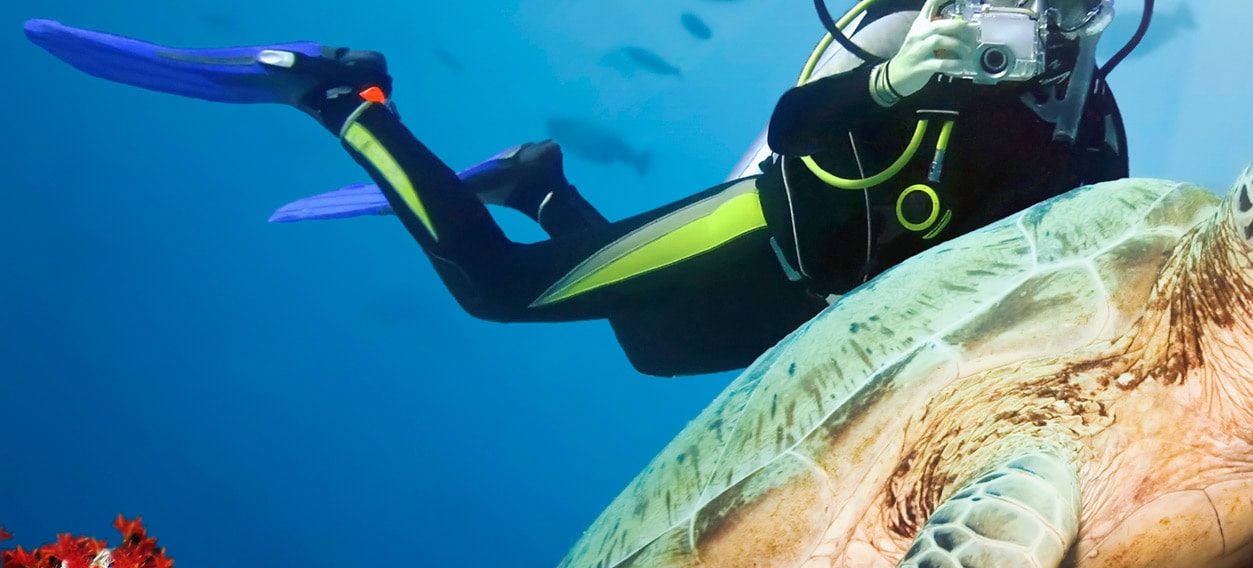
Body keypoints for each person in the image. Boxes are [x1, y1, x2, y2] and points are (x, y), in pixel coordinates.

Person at [24, 0, 1130, 376]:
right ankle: (344, 95)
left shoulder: (1093, 120)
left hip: (819, 306)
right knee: (502, 292)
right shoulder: (926, 27)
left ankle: (536, 181)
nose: (1051, 21)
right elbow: (799, 127)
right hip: (770, 223)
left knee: (646, 348)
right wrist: (895, 77)